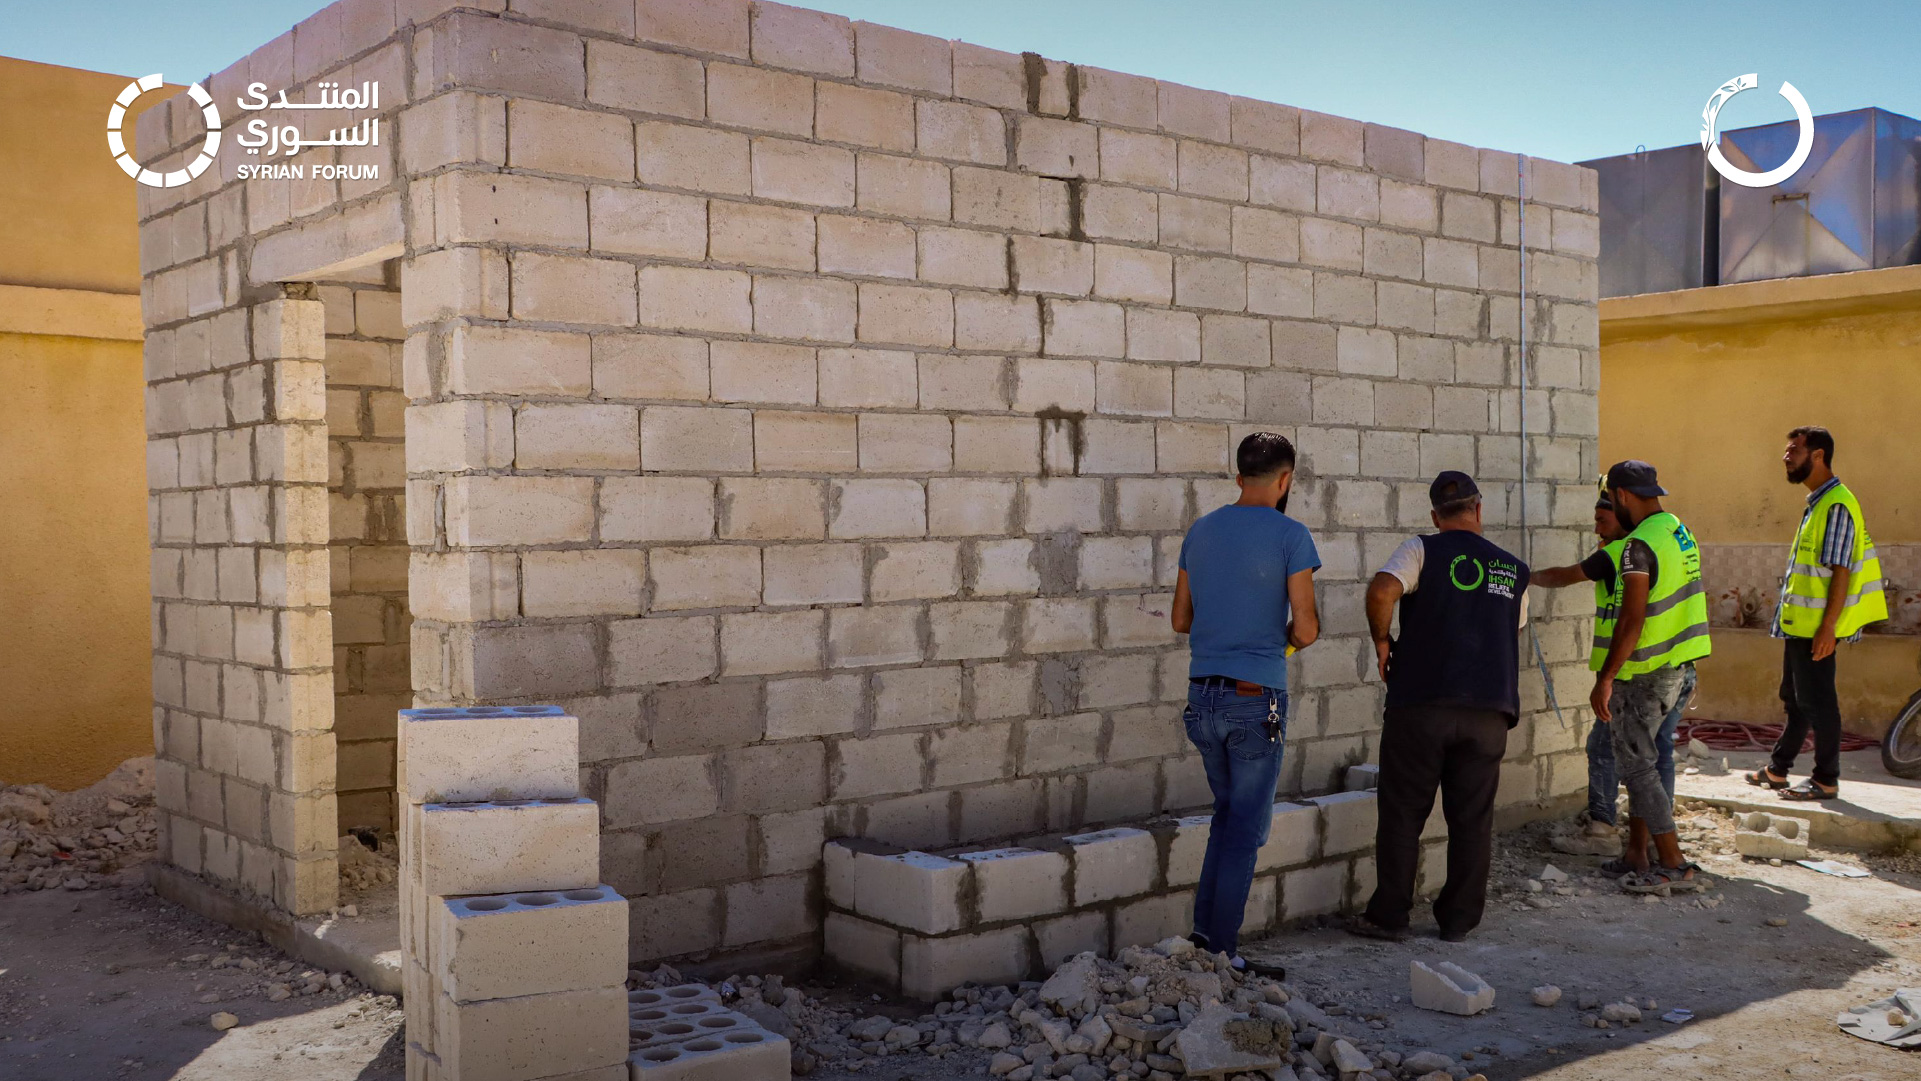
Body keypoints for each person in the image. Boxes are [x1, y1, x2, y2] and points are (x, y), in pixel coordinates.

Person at [1348, 472, 1529, 943]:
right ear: (1479, 510)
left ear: (1435, 516)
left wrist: (1383, 641)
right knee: (1472, 819)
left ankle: (1389, 915)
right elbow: (1513, 628)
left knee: (1404, 812)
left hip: (1421, 705)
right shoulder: (1513, 569)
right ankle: (1458, 920)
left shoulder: (1420, 550)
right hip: (1489, 711)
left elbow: (1383, 589)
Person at [1170, 432, 1320, 974]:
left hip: (1202, 697)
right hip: (1256, 698)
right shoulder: (1291, 534)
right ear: (1286, 481)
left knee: (1225, 816)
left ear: (1238, 478)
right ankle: (1223, 954)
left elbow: (1181, 620)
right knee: (1246, 829)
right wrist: (1279, 636)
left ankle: (1205, 937)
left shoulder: (1201, 531)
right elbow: (1305, 628)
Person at [1533, 487, 1697, 863]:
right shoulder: (1672, 537)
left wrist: (1525, 577)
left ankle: (1605, 829)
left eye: (1602, 520)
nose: (1597, 530)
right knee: (1659, 753)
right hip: (1678, 667)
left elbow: (1569, 576)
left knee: (1608, 750)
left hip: (1641, 671)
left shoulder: (1620, 552)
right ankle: (1651, 841)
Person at [1588, 460, 1713, 893]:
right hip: (1680, 666)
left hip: (1646, 672)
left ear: (1621, 495)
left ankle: (1674, 862)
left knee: (1639, 769)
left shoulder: (1636, 545)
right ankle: (1637, 853)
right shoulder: (1678, 530)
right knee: (1646, 764)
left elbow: (1632, 619)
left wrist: (1606, 677)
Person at [1746, 427, 1888, 801]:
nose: (1786, 456)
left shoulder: (1836, 504)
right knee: (1795, 699)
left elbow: (1841, 570)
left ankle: (1826, 778)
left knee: (1819, 703)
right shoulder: (1817, 503)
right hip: (1800, 625)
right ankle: (1779, 770)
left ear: (1819, 455)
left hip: (1815, 629)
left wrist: (1828, 628)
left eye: (1794, 449)